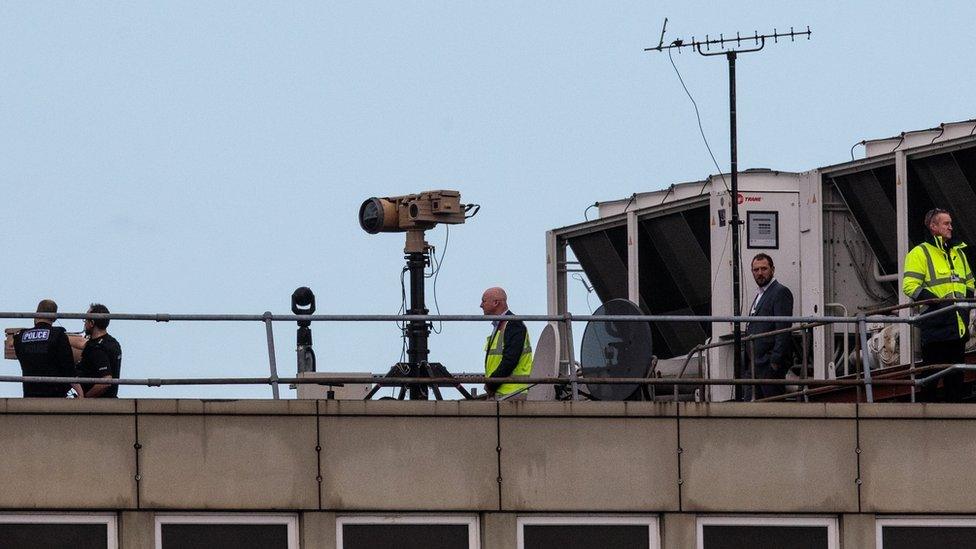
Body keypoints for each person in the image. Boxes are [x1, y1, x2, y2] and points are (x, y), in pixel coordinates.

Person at [903, 208, 974, 402]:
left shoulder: (958, 253)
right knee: (930, 379)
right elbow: (910, 286)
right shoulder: (920, 253)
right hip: (936, 327)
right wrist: (939, 306)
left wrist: (965, 308)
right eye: (946, 223)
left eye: (951, 223)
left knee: (956, 381)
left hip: (958, 326)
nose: (951, 227)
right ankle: (925, 420)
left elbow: (970, 283)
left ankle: (953, 423)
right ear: (933, 227)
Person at [744, 254, 794, 400]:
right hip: (754, 364)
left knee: (772, 408)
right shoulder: (761, 294)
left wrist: (774, 362)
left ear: (772, 269)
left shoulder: (780, 292)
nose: (760, 273)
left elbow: (783, 329)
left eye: (764, 269)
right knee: (750, 409)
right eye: (756, 270)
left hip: (768, 365)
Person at [12, 299, 75, 398]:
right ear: (54, 318)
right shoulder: (58, 335)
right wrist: (80, 393)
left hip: (30, 394)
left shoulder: (20, 337)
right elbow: (69, 367)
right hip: (55, 395)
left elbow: (21, 356)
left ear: (36, 315)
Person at [480, 287, 533, 400]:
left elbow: (510, 360)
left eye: (484, 301)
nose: (481, 305)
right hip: (504, 392)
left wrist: (491, 384)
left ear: (495, 303)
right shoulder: (503, 325)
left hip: (513, 393)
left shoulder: (513, 324)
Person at [73, 303, 123, 398]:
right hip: (112, 400)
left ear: (92, 323)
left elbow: (106, 381)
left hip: (97, 403)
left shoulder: (96, 348)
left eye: (86, 319)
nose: (84, 323)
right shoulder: (112, 342)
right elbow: (82, 343)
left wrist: (85, 398)